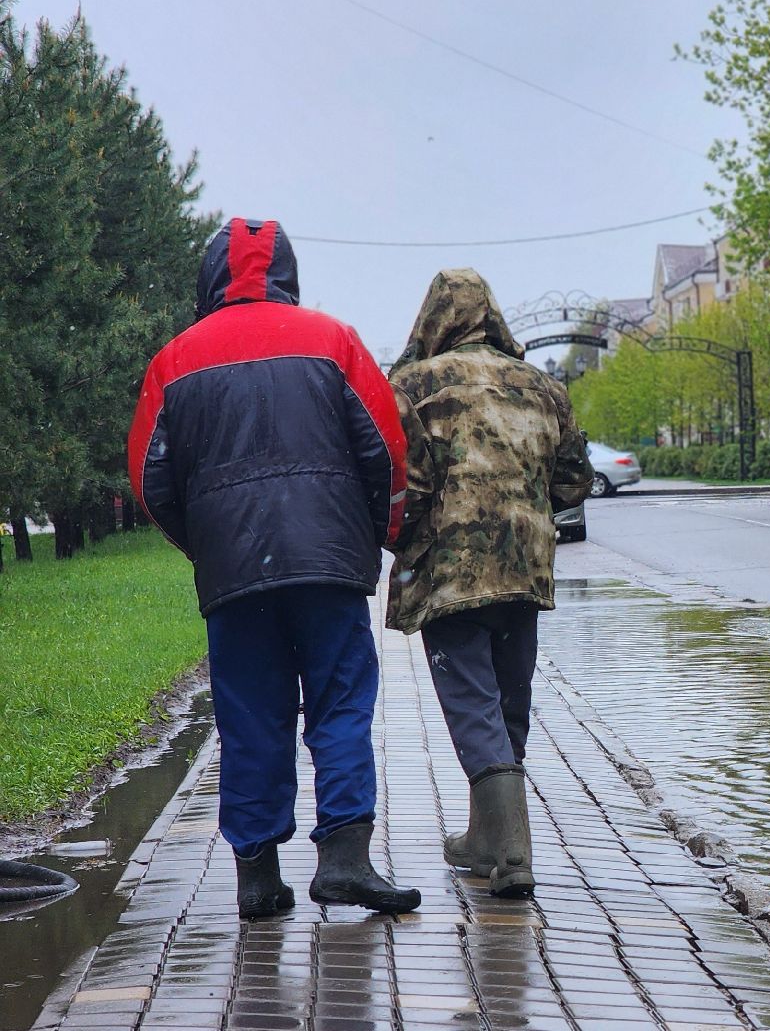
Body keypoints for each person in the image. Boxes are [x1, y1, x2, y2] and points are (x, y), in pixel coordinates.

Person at [128, 218, 422, 918]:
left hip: (235, 575)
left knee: (250, 715)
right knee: (340, 704)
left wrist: (207, 543)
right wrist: (382, 533)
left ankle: (257, 877)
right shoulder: (334, 341)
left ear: (208, 279)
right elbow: (384, 449)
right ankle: (346, 859)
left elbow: (149, 477)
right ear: (287, 273)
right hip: (329, 566)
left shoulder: (175, 360)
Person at [386, 268, 591, 898]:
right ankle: (483, 839)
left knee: (473, 704)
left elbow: (406, 483)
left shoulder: (415, 385)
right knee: (508, 702)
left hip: (453, 569)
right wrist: (523, 508)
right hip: (526, 564)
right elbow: (574, 479)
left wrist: (407, 538)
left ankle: (509, 855)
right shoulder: (541, 385)